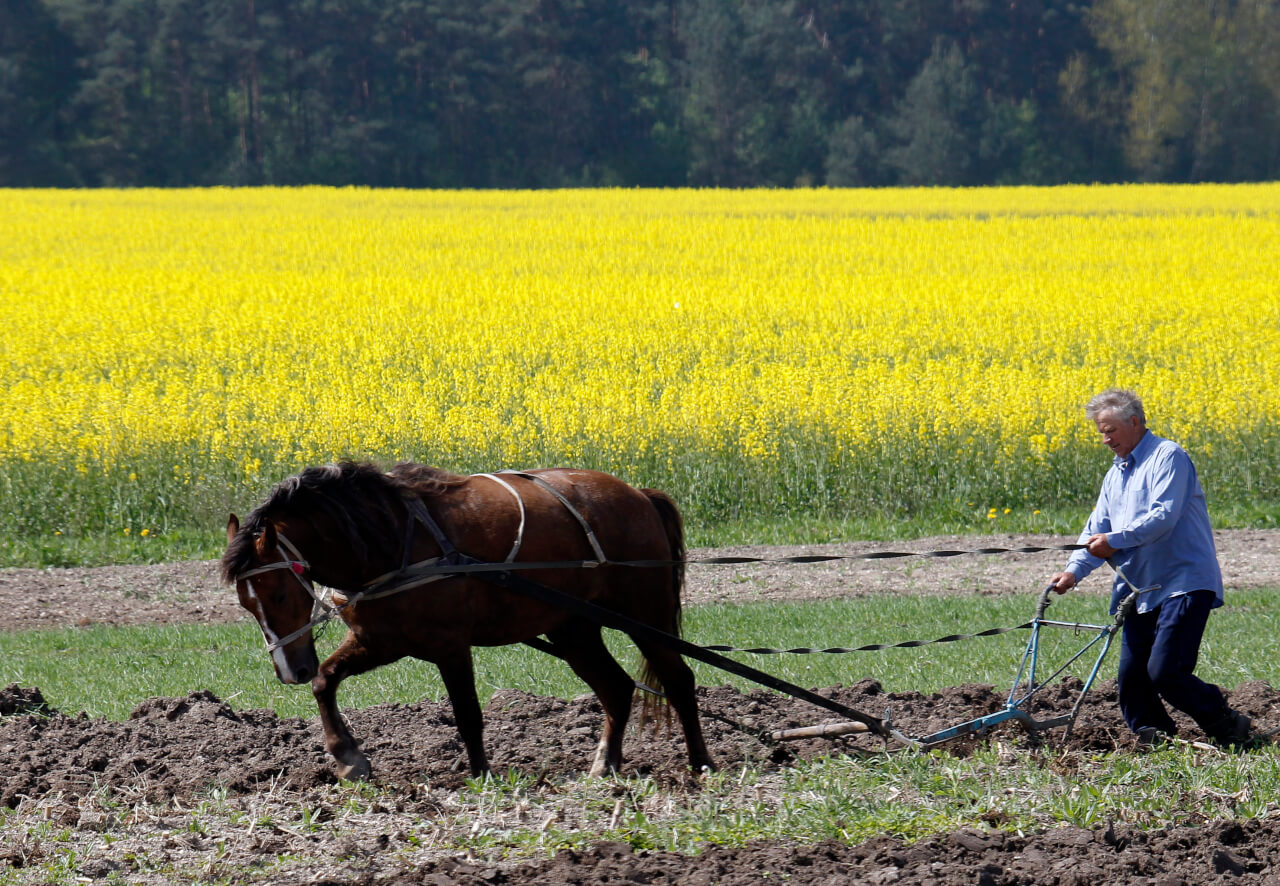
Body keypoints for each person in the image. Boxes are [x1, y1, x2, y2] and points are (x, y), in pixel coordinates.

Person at [1048, 388, 1252, 748]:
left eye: (1109, 430)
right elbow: (1097, 529)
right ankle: (1155, 738)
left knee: (1166, 671)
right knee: (1132, 679)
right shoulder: (1115, 475)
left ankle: (1226, 722)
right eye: (1100, 432)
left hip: (1183, 583)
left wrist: (1114, 540)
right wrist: (1073, 571)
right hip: (1140, 589)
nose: (1105, 439)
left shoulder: (1168, 457)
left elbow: (1162, 518)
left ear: (1135, 422)